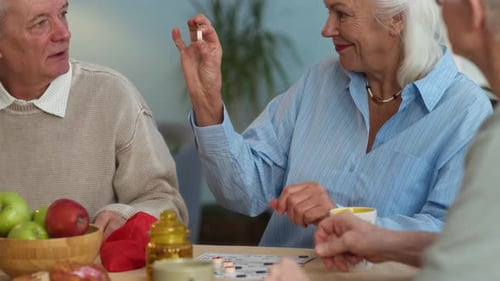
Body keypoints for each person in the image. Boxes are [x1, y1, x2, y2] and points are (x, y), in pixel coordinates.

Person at [172, 0, 492, 248]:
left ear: (397, 19)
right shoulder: (319, 81)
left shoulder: (464, 112)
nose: (326, 29)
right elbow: (241, 191)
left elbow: (451, 236)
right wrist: (207, 101)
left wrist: (341, 217)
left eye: (341, 14)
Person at [263, 0, 500, 279]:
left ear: (472, 11)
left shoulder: (484, 127)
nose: (434, 8)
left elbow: (458, 266)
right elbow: (464, 244)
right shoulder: (319, 80)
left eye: (442, 0)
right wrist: (378, 239)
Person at [0, 0, 188, 239]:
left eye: (63, 14)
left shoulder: (111, 94)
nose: (64, 33)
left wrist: (126, 215)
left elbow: (167, 204)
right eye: (40, 23)